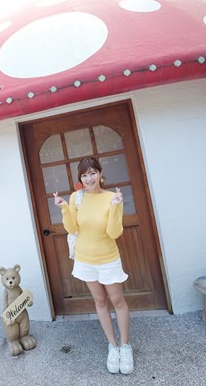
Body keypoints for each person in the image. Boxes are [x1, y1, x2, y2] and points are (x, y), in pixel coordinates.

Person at [53, 156, 133, 375]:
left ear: (100, 173)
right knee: (99, 301)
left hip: (108, 258)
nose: (89, 178)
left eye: (92, 173)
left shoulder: (112, 197)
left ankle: (125, 346)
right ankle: (112, 346)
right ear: (80, 178)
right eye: (84, 175)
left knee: (117, 300)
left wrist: (116, 207)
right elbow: (71, 228)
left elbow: (114, 232)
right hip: (85, 259)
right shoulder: (75, 198)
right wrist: (63, 208)